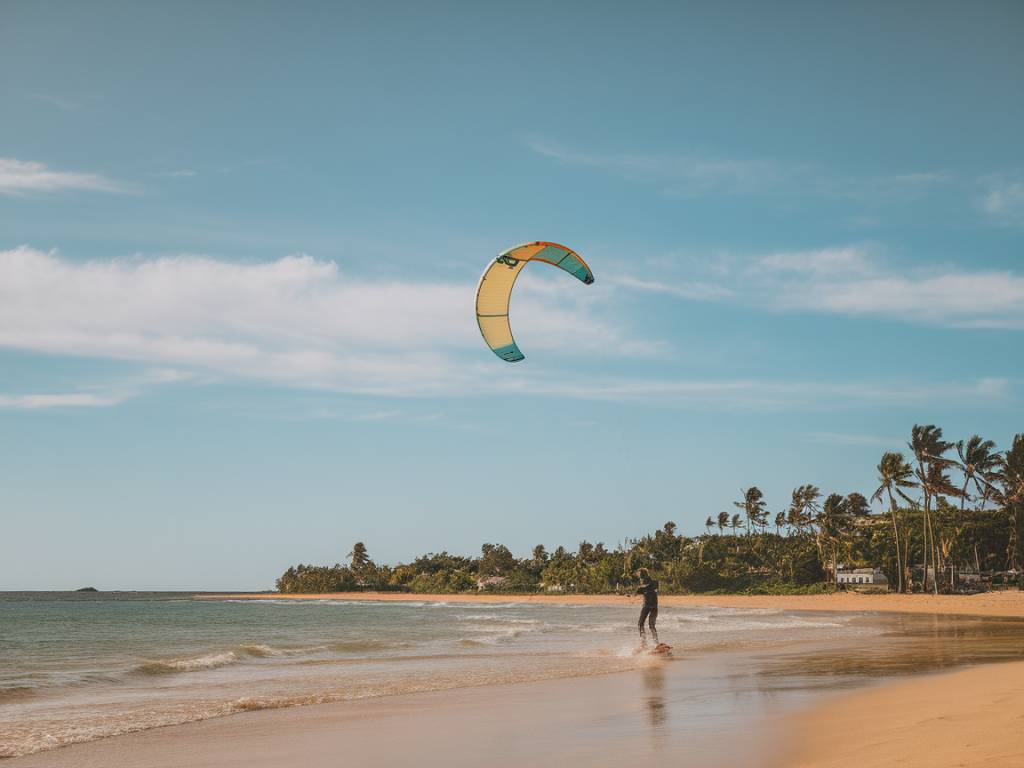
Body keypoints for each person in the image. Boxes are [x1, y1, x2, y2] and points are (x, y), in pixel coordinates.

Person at [635, 568, 659, 646]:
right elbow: (639, 591)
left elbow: (652, 586)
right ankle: (644, 643)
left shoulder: (654, 582)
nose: (640, 578)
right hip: (647, 606)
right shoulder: (642, 585)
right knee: (640, 624)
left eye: (640, 575)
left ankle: (655, 643)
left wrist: (641, 589)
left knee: (651, 625)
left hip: (652, 607)